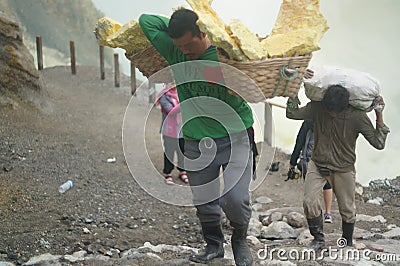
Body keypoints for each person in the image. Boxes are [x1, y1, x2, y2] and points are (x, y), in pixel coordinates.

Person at [139, 8, 255, 265]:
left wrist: (212, 25)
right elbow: (145, 21)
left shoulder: (226, 57)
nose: (185, 51)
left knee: (236, 198)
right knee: (204, 199)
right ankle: (214, 244)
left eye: (189, 44)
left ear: (203, 32)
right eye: (179, 46)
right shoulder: (176, 51)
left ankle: (240, 239)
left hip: (236, 135)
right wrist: (177, 31)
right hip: (195, 138)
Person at [286, 69, 390, 250]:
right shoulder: (318, 108)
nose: (332, 113)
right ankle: (318, 239)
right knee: (309, 202)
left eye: (336, 111)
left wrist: (379, 115)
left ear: (345, 106)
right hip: (317, 164)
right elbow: (292, 114)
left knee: (347, 209)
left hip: (343, 168)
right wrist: (294, 92)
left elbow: (378, 142)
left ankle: (347, 241)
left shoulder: (357, 117)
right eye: (329, 110)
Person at [288, 119, 333, 223]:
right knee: (327, 185)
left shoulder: (309, 121)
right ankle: (328, 213)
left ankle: (316, 216)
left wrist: (293, 161)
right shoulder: (334, 120)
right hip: (328, 159)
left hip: (309, 160)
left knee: (311, 190)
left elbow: (299, 141)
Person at [155, 82, 188, 185]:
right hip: (169, 130)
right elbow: (171, 111)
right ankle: (167, 173)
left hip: (182, 129)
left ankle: (182, 171)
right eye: (171, 82)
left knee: (183, 151)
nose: (173, 84)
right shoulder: (163, 96)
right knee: (169, 151)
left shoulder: (182, 93)